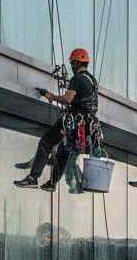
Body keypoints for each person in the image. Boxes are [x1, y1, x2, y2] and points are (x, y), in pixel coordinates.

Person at [14, 48, 100, 190]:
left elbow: (67, 99)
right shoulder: (91, 80)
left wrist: (50, 96)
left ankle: (33, 178)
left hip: (73, 120)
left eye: (72, 63)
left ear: (75, 64)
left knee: (46, 142)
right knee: (64, 150)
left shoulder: (77, 79)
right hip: (85, 124)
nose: (72, 66)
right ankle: (52, 183)